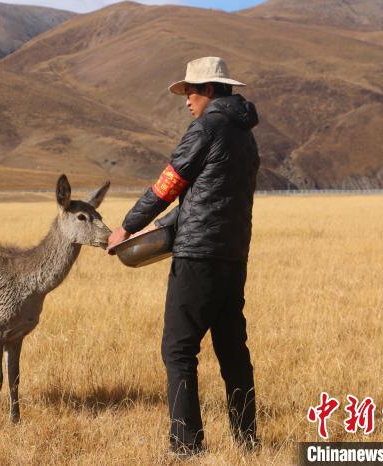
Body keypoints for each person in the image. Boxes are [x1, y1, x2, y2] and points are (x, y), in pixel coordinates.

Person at [107, 56, 260, 456]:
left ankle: (186, 447)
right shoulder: (245, 134)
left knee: (178, 350)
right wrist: (165, 226)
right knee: (232, 350)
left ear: (209, 90)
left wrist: (127, 226)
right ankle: (248, 441)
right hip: (233, 255)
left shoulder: (206, 127)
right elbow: (210, 197)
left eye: (190, 92)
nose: (186, 100)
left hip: (196, 257)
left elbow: (170, 182)